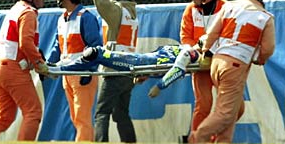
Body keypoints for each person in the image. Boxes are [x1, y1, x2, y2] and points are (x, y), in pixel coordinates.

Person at [188, 0, 275, 143]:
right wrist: (261, 59)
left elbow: (212, 33)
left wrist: (204, 49)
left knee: (234, 110)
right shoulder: (265, 17)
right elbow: (268, 48)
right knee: (226, 114)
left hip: (217, 62)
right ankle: (195, 142)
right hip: (235, 66)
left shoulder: (229, 7)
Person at [0, 0, 51, 140]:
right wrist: (39, 63)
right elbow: (26, 43)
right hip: (12, 68)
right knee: (33, 112)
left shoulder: (17, 8)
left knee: (3, 117)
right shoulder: (29, 13)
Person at [80, 0, 138, 143]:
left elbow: (104, 5)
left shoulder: (117, 12)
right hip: (128, 71)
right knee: (121, 114)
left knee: (101, 112)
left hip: (113, 71)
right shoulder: (130, 11)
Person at [47, 0, 102, 141]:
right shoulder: (62, 18)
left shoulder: (86, 17)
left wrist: (89, 70)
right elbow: (58, 45)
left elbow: (96, 48)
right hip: (68, 76)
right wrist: (49, 63)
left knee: (82, 118)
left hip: (82, 75)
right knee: (76, 117)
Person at [48, 44, 201, 98]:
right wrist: (154, 82)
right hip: (141, 61)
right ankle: (58, 68)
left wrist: (152, 80)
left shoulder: (189, 52)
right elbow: (173, 67)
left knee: (96, 54)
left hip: (141, 62)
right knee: (96, 54)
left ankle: (58, 68)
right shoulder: (190, 51)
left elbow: (172, 68)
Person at [180, 0, 227, 137]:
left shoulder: (226, 9)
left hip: (221, 65)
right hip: (200, 66)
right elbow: (185, 39)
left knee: (227, 106)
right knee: (204, 105)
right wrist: (196, 53)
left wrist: (211, 53)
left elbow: (228, 38)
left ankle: (218, 142)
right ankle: (197, 143)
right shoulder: (190, 10)